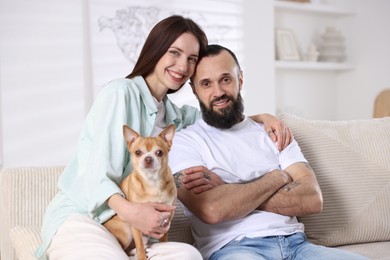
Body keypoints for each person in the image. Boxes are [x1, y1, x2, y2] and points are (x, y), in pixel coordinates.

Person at [35, 16, 290, 260]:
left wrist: (260, 117)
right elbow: (93, 175)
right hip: (86, 219)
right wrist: (132, 212)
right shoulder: (120, 93)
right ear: (156, 49)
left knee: (188, 255)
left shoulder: (176, 117)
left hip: (132, 232)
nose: (182, 66)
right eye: (174, 53)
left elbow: (218, 113)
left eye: (191, 59)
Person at [169, 44, 369, 260]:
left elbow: (312, 199)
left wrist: (229, 190)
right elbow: (212, 210)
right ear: (194, 90)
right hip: (235, 249)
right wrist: (278, 177)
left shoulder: (273, 132)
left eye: (226, 79)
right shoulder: (184, 142)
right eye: (206, 83)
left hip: (298, 246)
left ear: (240, 79)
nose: (218, 92)